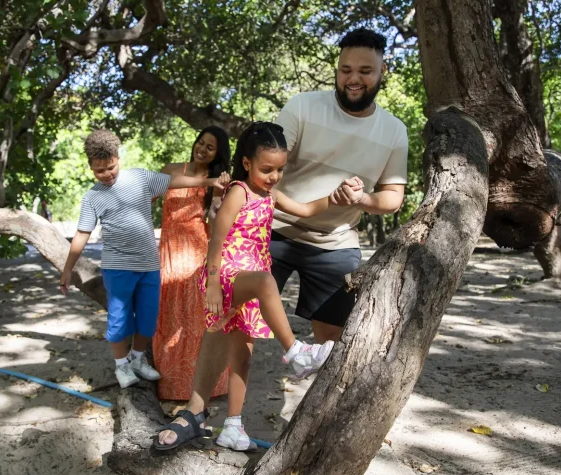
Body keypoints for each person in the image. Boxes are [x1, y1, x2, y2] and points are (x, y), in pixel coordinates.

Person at [154, 122, 364, 451]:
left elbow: (307, 210)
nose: (274, 176)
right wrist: (210, 282)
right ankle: (296, 352)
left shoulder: (270, 195)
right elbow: (217, 238)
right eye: (267, 169)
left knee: (243, 355)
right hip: (226, 274)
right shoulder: (239, 190)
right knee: (268, 283)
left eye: (280, 169)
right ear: (248, 162)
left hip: (251, 275)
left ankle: (233, 427)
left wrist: (336, 197)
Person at [270, 27, 408, 343]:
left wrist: (361, 199)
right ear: (337, 70)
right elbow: (269, 166)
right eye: (345, 70)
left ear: (383, 71)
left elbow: (393, 198)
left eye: (364, 71)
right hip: (274, 229)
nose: (353, 79)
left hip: (335, 242)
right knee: (240, 321)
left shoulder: (394, 131)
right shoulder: (301, 106)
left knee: (333, 337)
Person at [59, 129, 227, 389]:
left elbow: (175, 183)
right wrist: (68, 268)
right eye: (99, 171)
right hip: (118, 267)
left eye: (111, 167)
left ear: (118, 158)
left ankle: (138, 359)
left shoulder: (140, 177)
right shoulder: (93, 196)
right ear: (91, 168)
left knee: (148, 318)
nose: (107, 174)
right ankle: (121, 365)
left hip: (149, 264)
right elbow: (82, 233)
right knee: (119, 319)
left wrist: (210, 182)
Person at [152, 126, 232, 401]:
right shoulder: (173, 168)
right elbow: (157, 187)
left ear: (217, 155)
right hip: (169, 251)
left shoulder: (218, 181)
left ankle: (203, 387)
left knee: (195, 319)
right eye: (201, 142)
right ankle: (170, 385)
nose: (203, 148)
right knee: (168, 315)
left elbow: (213, 219)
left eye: (211, 147)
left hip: (196, 252)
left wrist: (219, 195)